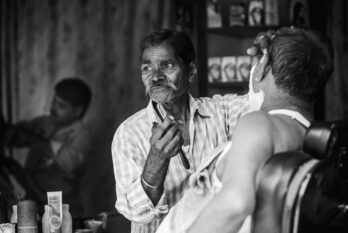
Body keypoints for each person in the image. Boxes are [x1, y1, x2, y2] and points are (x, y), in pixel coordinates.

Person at [154, 27, 334, 233]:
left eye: (259, 62)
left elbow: (236, 204)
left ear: (264, 66)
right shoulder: (309, 135)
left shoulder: (258, 124)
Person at [111, 29, 253, 233]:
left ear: (191, 71)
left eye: (167, 65)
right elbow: (134, 212)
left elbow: (265, 101)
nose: (155, 77)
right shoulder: (129, 133)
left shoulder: (222, 112)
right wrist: (156, 160)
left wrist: (274, 53)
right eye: (147, 68)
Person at [3, 78, 93, 218]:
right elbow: (14, 136)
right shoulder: (44, 123)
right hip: (33, 199)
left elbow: (67, 163)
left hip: (63, 205)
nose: (53, 108)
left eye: (61, 106)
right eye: (54, 101)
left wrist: (41, 142)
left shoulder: (83, 136)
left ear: (77, 111)